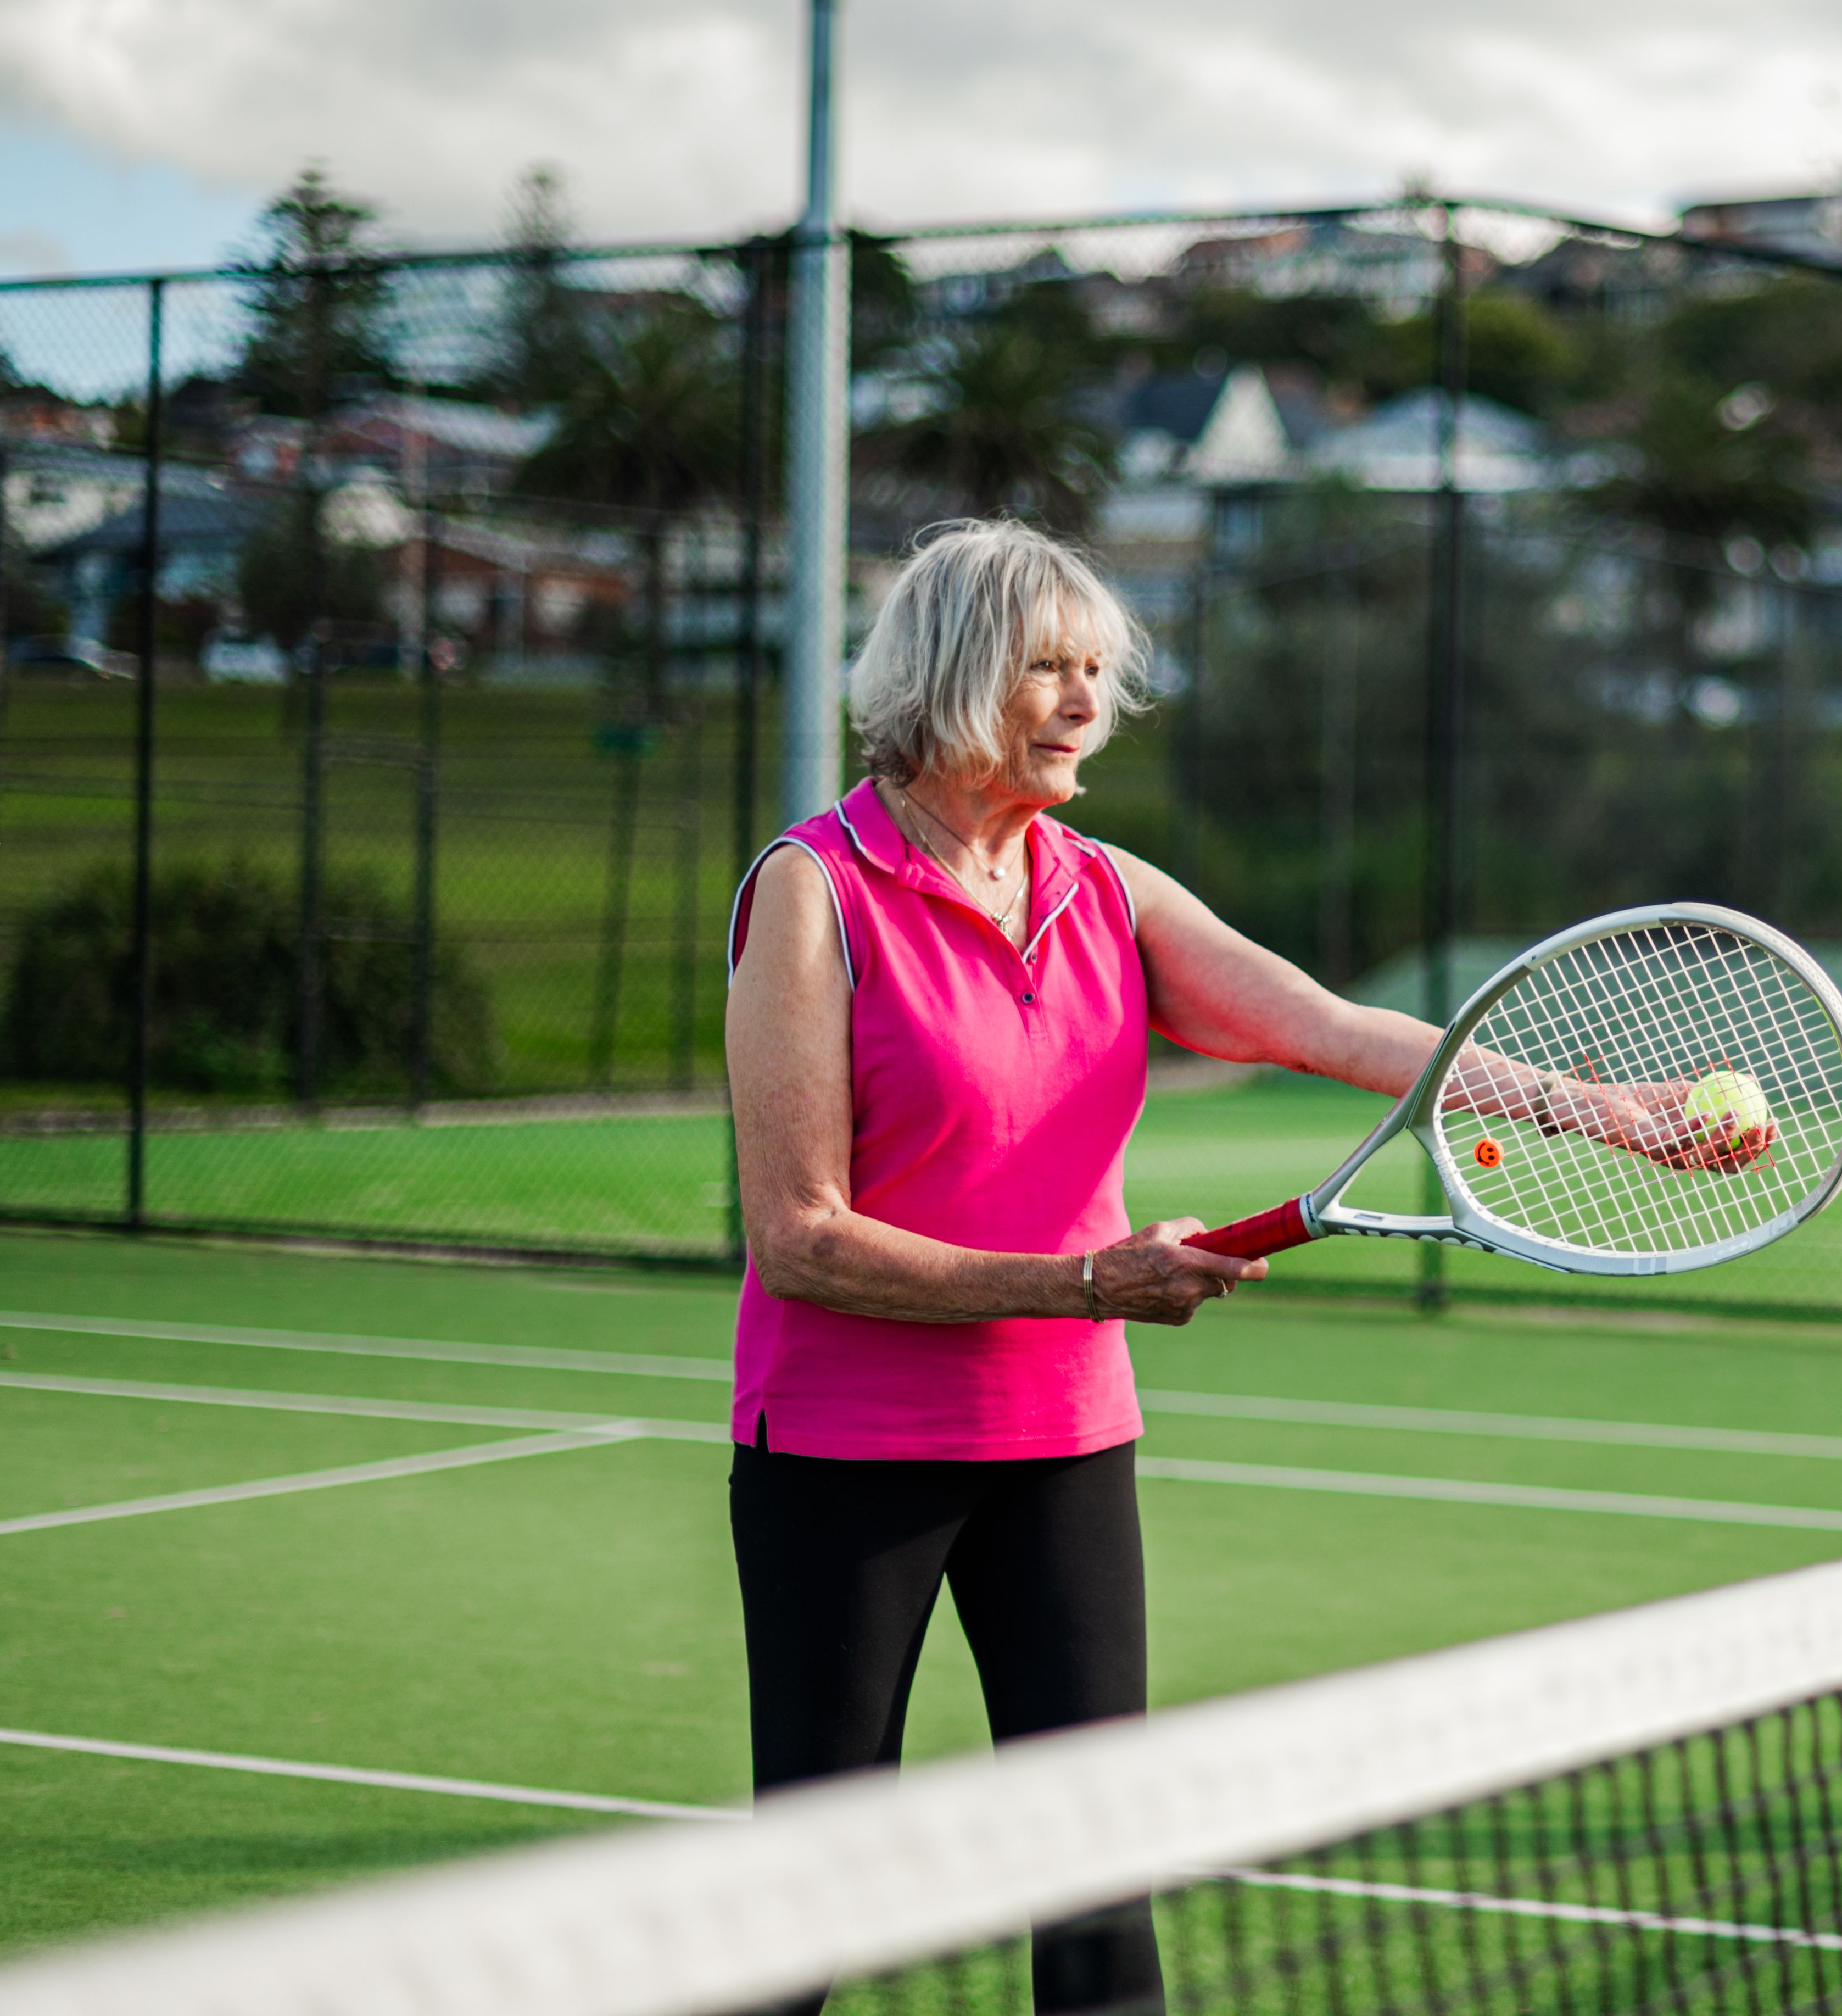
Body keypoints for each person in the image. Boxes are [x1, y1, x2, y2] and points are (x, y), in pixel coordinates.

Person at [724, 519, 1750, 2014]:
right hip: (847, 1450)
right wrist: (1082, 1285)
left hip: (1067, 1439)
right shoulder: (814, 895)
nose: (1088, 700)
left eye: (1098, 670)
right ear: (951, 679)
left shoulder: (1104, 890)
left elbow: (1335, 1032)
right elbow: (800, 1238)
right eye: (1047, 668)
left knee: (1095, 1883)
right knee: (800, 1909)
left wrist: (1608, 1114)